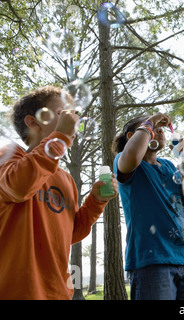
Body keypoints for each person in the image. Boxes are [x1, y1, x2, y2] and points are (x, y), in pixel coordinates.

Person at [0, 86, 118, 300]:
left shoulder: (65, 179)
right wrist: (60, 137)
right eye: (62, 113)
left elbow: (71, 234)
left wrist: (95, 202)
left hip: (58, 292)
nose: (72, 119)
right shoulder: (8, 158)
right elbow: (18, 187)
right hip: (16, 291)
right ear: (33, 122)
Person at [112, 113, 184, 300]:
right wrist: (151, 120)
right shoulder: (126, 160)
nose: (159, 129)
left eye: (161, 128)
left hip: (183, 259)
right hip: (150, 261)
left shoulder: (169, 166)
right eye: (152, 127)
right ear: (131, 136)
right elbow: (133, 155)